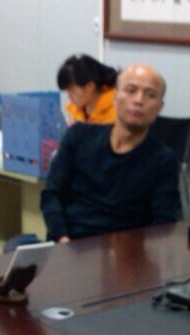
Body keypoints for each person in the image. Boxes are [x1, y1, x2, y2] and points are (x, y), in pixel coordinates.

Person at [41, 63, 179, 242]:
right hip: (68, 245)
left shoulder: (163, 160)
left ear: (159, 107)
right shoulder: (79, 136)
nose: (139, 100)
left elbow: (163, 224)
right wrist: (62, 238)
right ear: (115, 97)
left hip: (125, 252)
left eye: (150, 94)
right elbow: (51, 193)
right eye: (131, 90)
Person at [56, 54, 118, 124]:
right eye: (67, 90)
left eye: (72, 90)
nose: (69, 96)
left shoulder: (118, 112)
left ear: (90, 86)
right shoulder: (76, 112)